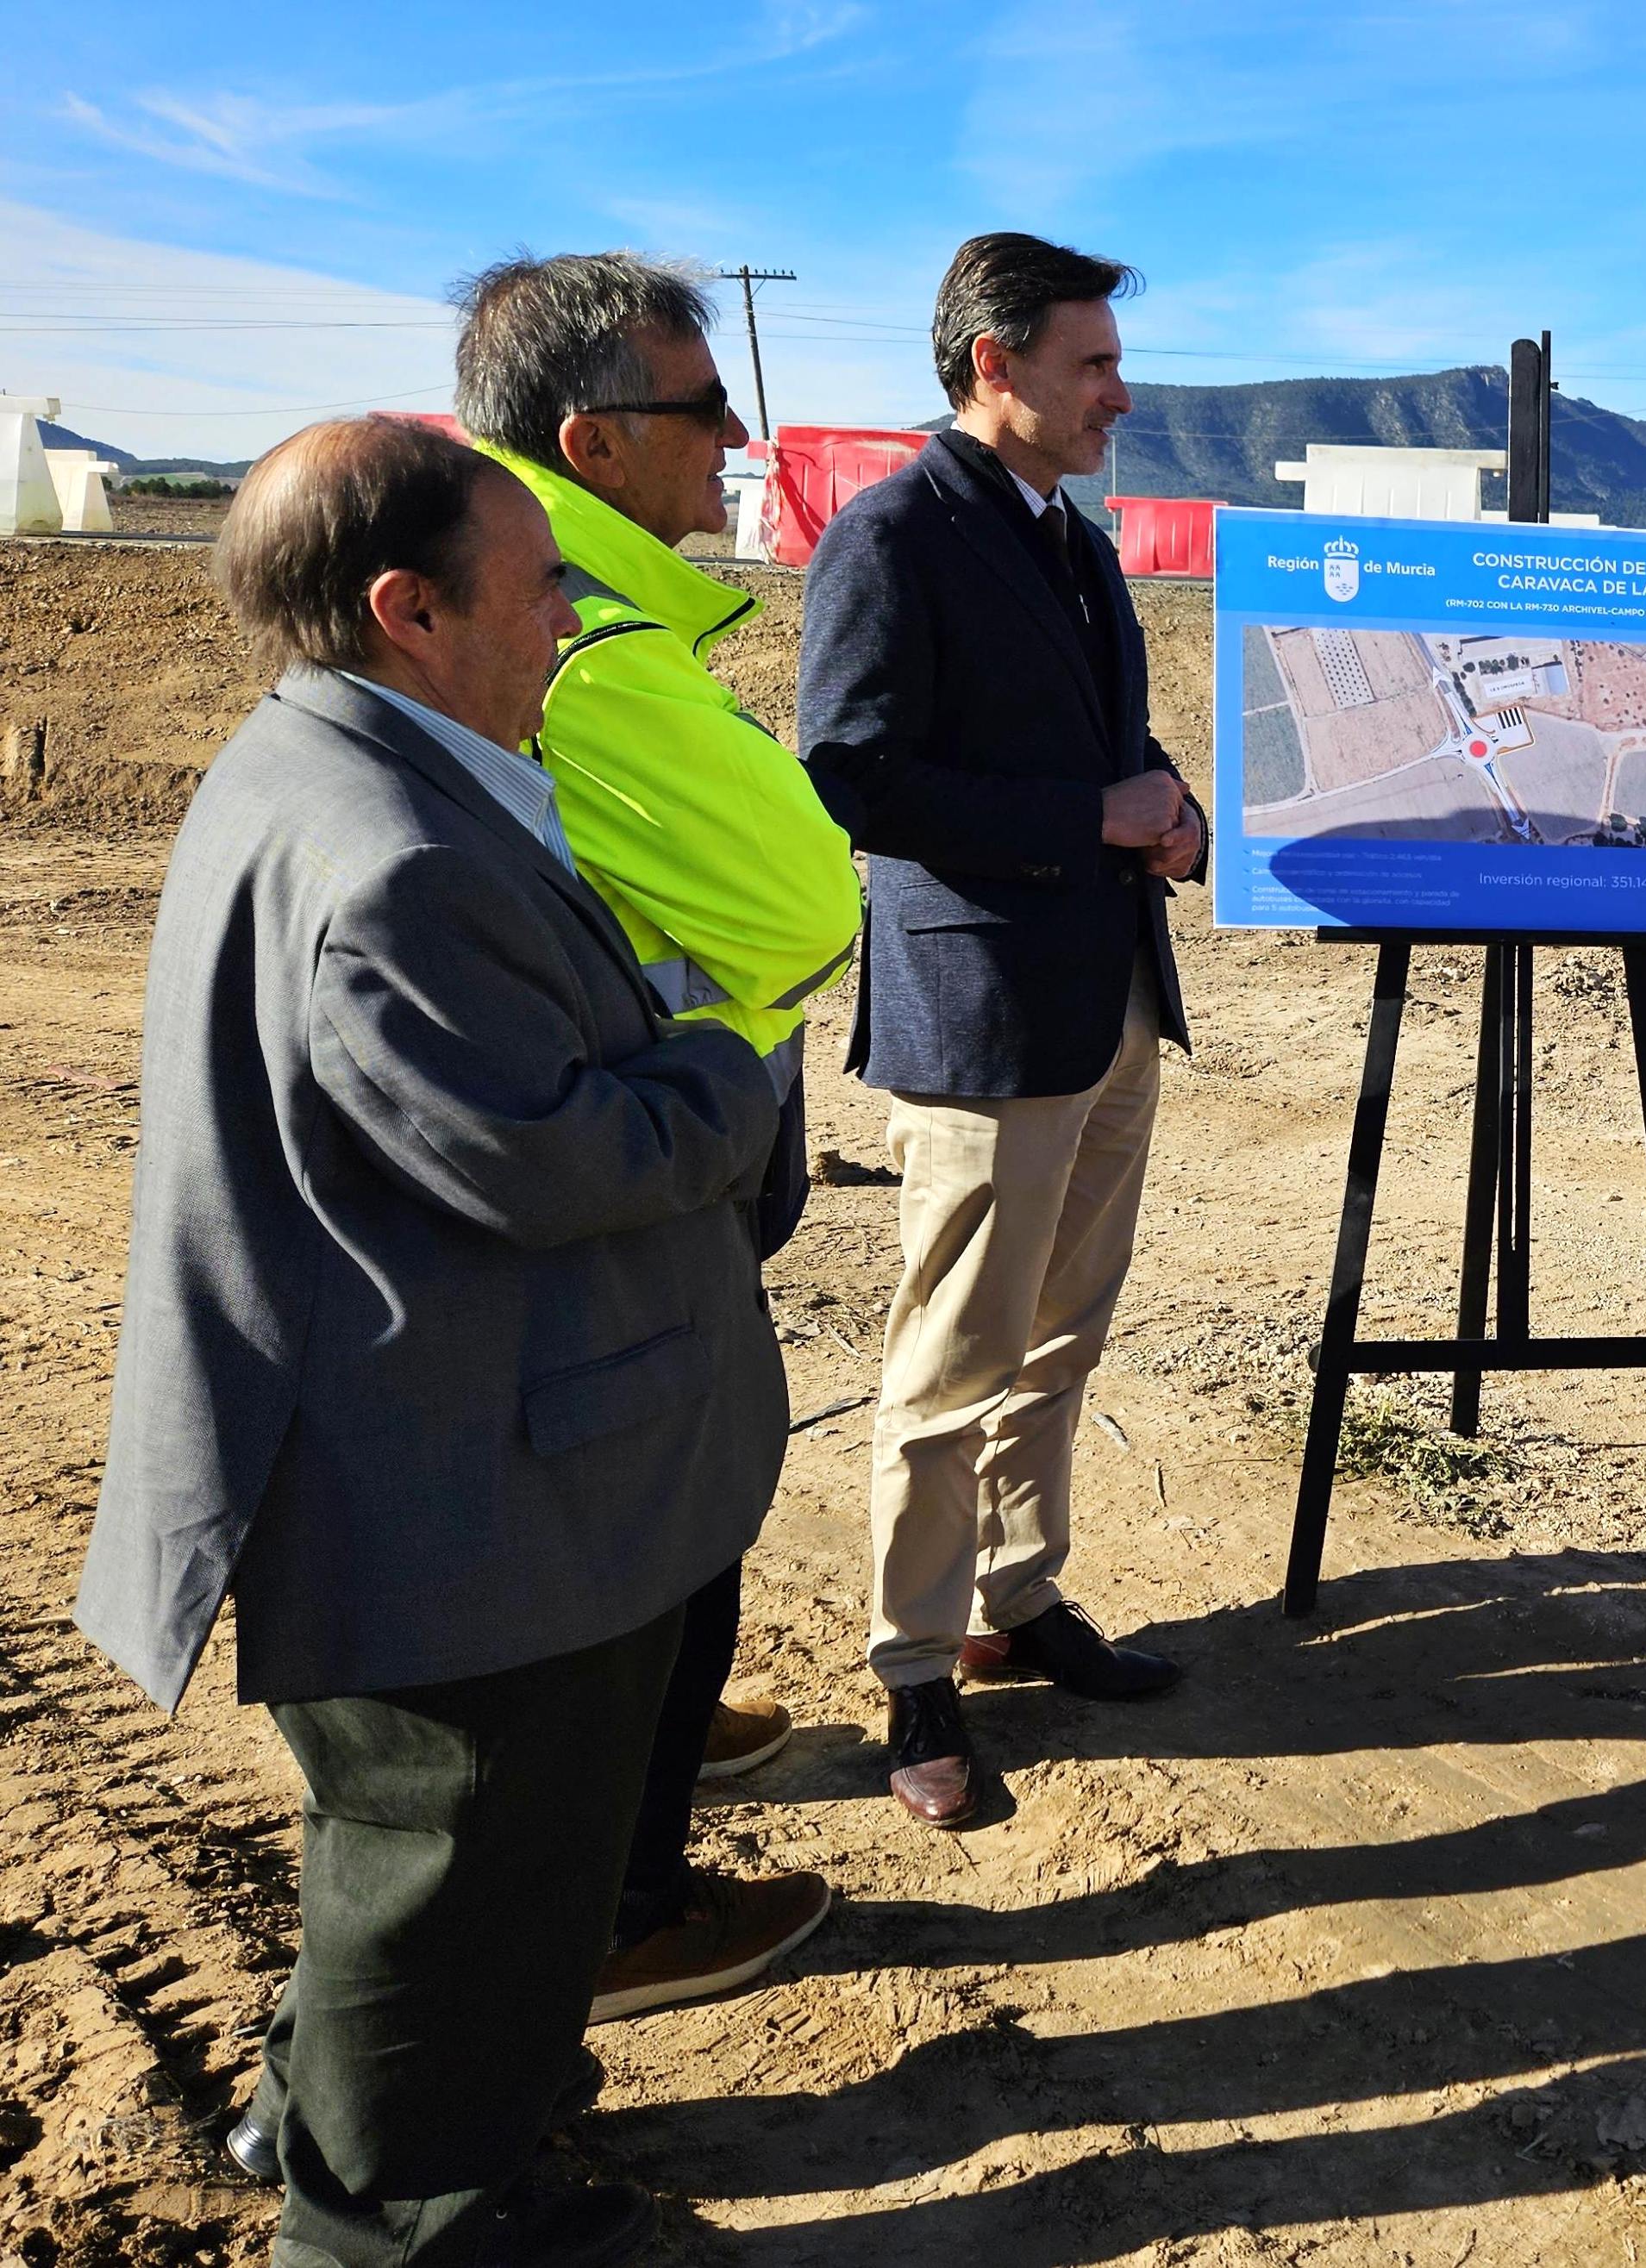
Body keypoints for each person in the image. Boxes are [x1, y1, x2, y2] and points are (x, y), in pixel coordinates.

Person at [72, 418, 790, 2263]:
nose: (571, 621)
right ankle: (400, 2217)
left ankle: (367, 2118)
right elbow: (552, 1154)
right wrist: (734, 1054)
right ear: (411, 608)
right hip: (465, 1500)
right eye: (544, 585)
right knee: (461, 1874)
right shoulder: (395, 858)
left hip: (449, 1458)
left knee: (455, 1881)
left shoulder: (336, 758)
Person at [450, 248, 856, 2025]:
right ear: (593, 441)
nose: (737, 437)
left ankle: (658, 1762)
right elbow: (802, 905)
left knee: (659, 1503)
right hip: (655, 1141)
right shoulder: (588, 648)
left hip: (626, 1132)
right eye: (705, 406)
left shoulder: (538, 608)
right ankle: (622, 1905)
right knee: (650, 1505)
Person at [801, 233, 1207, 1830]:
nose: (1120, 394)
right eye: (1093, 364)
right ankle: (913, 1666)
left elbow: (1111, 743)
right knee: (954, 1351)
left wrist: (1170, 815)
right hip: (984, 1017)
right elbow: (852, 772)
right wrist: (1086, 818)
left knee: (1061, 1332)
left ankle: (1017, 1595)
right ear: (996, 363)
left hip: (1108, 996)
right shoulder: (894, 534)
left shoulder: (1074, 542)